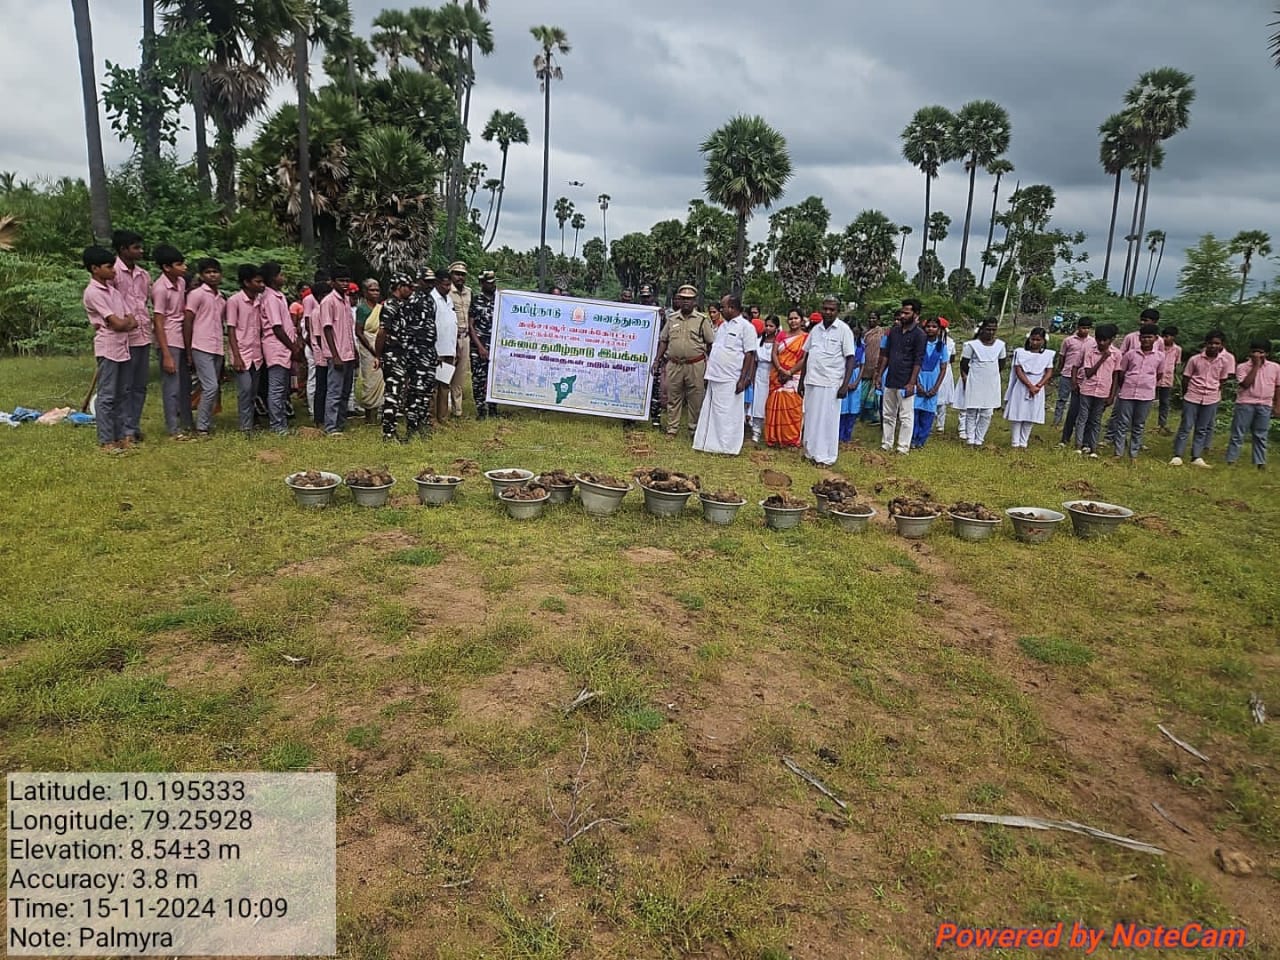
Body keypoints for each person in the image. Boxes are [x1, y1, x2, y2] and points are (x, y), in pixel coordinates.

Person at [83, 246, 136, 451]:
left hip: (122, 347)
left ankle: (121, 436)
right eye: (109, 267)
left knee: (122, 393)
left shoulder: (114, 291)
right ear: (95, 269)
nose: (114, 270)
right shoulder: (93, 293)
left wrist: (124, 323)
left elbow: (132, 321)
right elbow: (117, 323)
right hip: (108, 348)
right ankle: (106, 440)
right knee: (107, 396)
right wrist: (123, 323)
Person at [693, 294, 757, 455]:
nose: (721, 310)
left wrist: (744, 379)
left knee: (728, 414)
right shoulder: (723, 327)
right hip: (715, 375)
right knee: (712, 411)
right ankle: (707, 443)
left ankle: (728, 447)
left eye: (723, 307)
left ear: (732, 308)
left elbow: (750, 354)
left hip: (732, 378)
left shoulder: (746, 327)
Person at [798, 295, 858, 467]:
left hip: (831, 384)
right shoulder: (815, 330)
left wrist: (845, 385)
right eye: (825, 308)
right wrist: (802, 381)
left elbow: (851, 359)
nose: (828, 312)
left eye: (832, 309)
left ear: (837, 311)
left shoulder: (844, 330)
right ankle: (810, 453)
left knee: (827, 421)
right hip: (812, 381)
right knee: (811, 418)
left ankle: (826, 457)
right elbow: (807, 355)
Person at [653, 284, 715, 438]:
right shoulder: (672, 318)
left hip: (695, 364)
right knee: (673, 397)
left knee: (696, 398)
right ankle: (672, 429)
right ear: (679, 300)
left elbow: (711, 343)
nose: (686, 302)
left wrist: (710, 365)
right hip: (674, 364)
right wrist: (657, 359)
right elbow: (663, 340)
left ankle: (694, 430)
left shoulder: (702, 320)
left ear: (695, 301)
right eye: (683, 299)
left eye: (690, 299)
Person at [1170, 330, 1235, 468]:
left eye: (1216, 343)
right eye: (1210, 343)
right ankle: (1177, 455)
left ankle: (1196, 456)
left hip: (1211, 398)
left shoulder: (1224, 361)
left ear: (1221, 345)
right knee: (1186, 426)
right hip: (1193, 396)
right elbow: (1186, 378)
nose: (1213, 346)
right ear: (1206, 344)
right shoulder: (1195, 359)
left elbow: (1222, 380)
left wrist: (1213, 391)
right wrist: (1187, 394)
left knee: (1202, 428)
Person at [110, 230, 151, 442]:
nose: (140, 251)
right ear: (123, 249)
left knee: (139, 385)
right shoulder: (113, 273)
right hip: (125, 336)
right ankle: (124, 430)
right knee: (124, 386)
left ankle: (133, 426)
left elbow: (145, 302)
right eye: (136, 247)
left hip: (144, 334)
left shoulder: (143, 275)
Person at [151, 244, 191, 439]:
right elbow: (158, 321)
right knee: (172, 386)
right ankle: (173, 428)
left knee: (184, 383)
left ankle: (185, 422)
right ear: (167, 267)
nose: (184, 267)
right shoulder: (160, 288)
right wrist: (165, 353)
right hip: (169, 338)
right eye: (179, 264)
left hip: (181, 336)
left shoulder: (181, 282)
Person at [876, 299, 927, 455]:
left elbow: (918, 360)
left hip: (906, 380)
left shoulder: (920, 335)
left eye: (907, 313)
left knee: (905, 415)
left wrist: (912, 382)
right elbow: (886, 355)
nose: (903, 315)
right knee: (888, 413)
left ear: (916, 314)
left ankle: (903, 447)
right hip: (891, 377)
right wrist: (879, 375)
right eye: (902, 312)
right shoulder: (895, 331)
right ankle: (886, 443)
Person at [184, 258, 226, 437]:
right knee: (211, 386)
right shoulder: (197, 294)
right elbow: (188, 320)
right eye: (208, 272)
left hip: (217, 346)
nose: (213, 275)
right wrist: (188, 350)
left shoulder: (221, 297)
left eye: (215, 272)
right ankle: (201, 426)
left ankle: (205, 422)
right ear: (202, 275)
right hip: (200, 345)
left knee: (210, 387)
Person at [1225, 340, 1280, 469]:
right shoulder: (1242, 367)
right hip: (1245, 403)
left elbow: (1278, 387)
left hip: (1265, 403)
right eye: (1254, 352)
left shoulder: (1275, 367)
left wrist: (1277, 405)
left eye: (1260, 352)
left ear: (1266, 353)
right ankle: (1232, 460)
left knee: (1261, 434)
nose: (1257, 354)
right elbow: (1245, 384)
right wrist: (1256, 366)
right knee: (1238, 433)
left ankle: (1260, 462)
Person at [226, 264, 265, 437]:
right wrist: (236, 356)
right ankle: (245, 426)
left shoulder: (260, 300)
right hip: (242, 352)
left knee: (253, 391)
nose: (261, 284)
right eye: (258, 281)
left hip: (257, 353)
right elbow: (231, 329)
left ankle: (250, 421)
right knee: (245, 390)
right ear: (246, 282)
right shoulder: (235, 301)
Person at [1112, 323, 1161, 460]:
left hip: (1146, 395)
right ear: (1139, 338)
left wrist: (1148, 384)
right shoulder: (1130, 354)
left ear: (1155, 338)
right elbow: (1122, 373)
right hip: (1127, 392)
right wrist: (1124, 386)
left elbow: (1159, 374)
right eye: (1143, 337)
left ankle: (1133, 454)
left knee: (1138, 424)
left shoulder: (1159, 357)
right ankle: (1118, 452)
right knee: (1122, 423)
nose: (1146, 340)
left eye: (1149, 337)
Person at [260, 262, 298, 436]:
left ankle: (281, 421)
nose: (283, 277)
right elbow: (277, 328)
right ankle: (277, 425)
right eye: (281, 274)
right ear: (273, 278)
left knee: (283, 389)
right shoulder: (269, 298)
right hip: (276, 348)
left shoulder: (279, 296)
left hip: (285, 349)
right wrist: (293, 347)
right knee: (276, 388)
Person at [1002, 327, 1055, 450]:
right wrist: (1029, 385)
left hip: (1038, 385)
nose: (1035, 342)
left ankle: (1024, 442)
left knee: (1031, 413)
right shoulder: (1020, 352)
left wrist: (1039, 386)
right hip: (1023, 384)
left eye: (1038, 340)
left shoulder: (1048, 355)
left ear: (1043, 341)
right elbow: (1018, 370)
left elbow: (1048, 372)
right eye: (1033, 339)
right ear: (1029, 339)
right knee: (1018, 412)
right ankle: (1015, 442)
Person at [1072, 323, 1120, 457]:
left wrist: (1112, 395)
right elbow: (1088, 373)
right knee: (1082, 418)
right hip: (1087, 389)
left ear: (1112, 340)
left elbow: (1116, 376)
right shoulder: (1090, 351)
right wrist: (1103, 359)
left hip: (1103, 391)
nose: (1101, 342)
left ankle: (1093, 448)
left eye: (1105, 340)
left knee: (1096, 420)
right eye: (1099, 339)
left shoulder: (1117, 354)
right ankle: (1078, 445)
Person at [320, 266, 357, 435]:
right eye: (341, 280)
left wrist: (354, 350)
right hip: (337, 354)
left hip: (348, 351)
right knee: (334, 391)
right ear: (333, 282)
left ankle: (341, 423)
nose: (345, 284)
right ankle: (330, 426)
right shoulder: (328, 301)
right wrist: (335, 355)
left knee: (345, 391)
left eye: (347, 280)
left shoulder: (347, 300)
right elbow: (327, 329)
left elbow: (349, 327)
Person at [960, 319, 1007, 447]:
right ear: (982, 329)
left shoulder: (1000, 345)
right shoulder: (971, 345)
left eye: (993, 329)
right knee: (972, 410)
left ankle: (979, 439)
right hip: (975, 379)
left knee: (987, 412)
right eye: (988, 329)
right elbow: (964, 363)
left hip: (991, 381)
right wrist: (973, 375)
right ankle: (970, 438)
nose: (991, 332)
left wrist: (990, 374)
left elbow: (1001, 363)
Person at [764, 309, 807, 448]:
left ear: (801, 320)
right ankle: (774, 438)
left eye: (796, 318)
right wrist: (781, 370)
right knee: (774, 404)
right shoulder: (781, 335)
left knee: (792, 408)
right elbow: (774, 353)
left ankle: (791, 439)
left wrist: (790, 372)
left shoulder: (806, 337)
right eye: (790, 318)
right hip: (777, 374)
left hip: (795, 376)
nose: (793, 321)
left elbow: (804, 359)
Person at [912, 316, 951, 448]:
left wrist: (936, 387)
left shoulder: (942, 347)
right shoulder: (919, 344)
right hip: (919, 383)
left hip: (933, 384)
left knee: (928, 414)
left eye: (934, 327)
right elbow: (914, 364)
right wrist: (917, 384)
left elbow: (943, 368)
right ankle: (913, 438)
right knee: (915, 412)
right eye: (928, 326)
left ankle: (921, 440)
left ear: (939, 330)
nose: (931, 329)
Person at [1053, 316, 1093, 429]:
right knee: (1062, 399)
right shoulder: (1068, 340)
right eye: (1082, 328)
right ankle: (1057, 421)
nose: (1084, 330)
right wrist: (1060, 370)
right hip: (1067, 373)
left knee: (1078, 401)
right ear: (1078, 327)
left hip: (1082, 376)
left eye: (1087, 328)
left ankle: (1073, 422)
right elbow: (1062, 357)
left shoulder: (1092, 342)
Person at [469, 270, 499, 419]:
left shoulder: (499, 299)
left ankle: (493, 409)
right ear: (481, 283)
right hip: (478, 345)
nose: (493, 285)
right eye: (489, 282)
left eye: (494, 282)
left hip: (496, 346)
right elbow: (471, 325)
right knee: (478, 379)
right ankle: (481, 410)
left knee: (493, 378)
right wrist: (480, 347)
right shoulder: (476, 300)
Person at [430, 269, 457, 428]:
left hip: (449, 349)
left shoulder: (449, 300)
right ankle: (432, 418)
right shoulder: (432, 299)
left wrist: (456, 349)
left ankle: (443, 417)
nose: (448, 288)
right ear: (437, 283)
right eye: (445, 284)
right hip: (437, 349)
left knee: (445, 384)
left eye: (449, 285)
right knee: (434, 385)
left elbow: (452, 325)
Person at [638, 284, 667, 427]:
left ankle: (655, 419)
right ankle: (630, 417)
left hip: (654, 356)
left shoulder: (659, 314)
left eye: (648, 297)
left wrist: (662, 317)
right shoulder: (636, 311)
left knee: (655, 388)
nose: (646, 300)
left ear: (652, 297)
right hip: (637, 356)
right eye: (643, 297)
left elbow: (664, 336)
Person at [355, 279, 384, 422]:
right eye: (372, 290)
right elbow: (359, 332)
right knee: (370, 380)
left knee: (381, 380)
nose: (375, 293)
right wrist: (373, 350)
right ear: (365, 292)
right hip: (368, 348)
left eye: (377, 290)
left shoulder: (380, 308)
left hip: (380, 346)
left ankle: (378, 411)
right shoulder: (362, 308)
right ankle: (369, 416)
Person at [748, 314, 778, 443]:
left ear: (776, 327)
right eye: (766, 325)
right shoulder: (758, 341)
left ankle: (771, 432)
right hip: (760, 373)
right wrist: (752, 377)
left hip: (772, 374)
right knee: (758, 402)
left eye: (771, 326)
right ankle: (756, 431)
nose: (768, 328)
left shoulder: (778, 342)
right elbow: (754, 361)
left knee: (771, 402)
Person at [304, 271, 328, 426]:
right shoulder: (317, 312)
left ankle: (324, 414)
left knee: (326, 385)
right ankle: (318, 417)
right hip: (321, 354)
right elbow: (318, 336)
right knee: (320, 385)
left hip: (326, 353)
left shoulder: (325, 309)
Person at [448, 262, 472, 418]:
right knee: (447, 371)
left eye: (462, 274)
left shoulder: (469, 292)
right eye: (457, 274)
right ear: (451, 275)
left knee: (460, 375)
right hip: (451, 337)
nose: (460, 277)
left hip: (465, 336)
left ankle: (457, 409)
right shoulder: (447, 292)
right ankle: (446, 407)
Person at [858, 310, 884, 425]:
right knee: (862, 392)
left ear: (878, 320)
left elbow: (881, 350)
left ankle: (875, 417)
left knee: (873, 394)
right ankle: (862, 415)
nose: (871, 320)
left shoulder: (881, 333)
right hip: (864, 367)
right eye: (870, 318)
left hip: (876, 366)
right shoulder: (865, 333)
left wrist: (878, 369)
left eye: (874, 318)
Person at [1156, 326, 1182, 434]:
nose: (1165, 339)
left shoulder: (1177, 350)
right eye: (1164, 336)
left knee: (1165, 402)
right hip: (1154, 378)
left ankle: (1162, 424)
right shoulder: (1157, 347)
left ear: (1174, 337)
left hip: (1167, 380)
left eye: (1168, 336)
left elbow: (1176, 365)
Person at [932, 317, 955, 435]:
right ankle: (931, 420)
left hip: (945, 372)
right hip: (931, 370)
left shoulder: (950, 343)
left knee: (942, 399)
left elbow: (952, 359)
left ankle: (940, 424)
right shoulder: (929, 341)